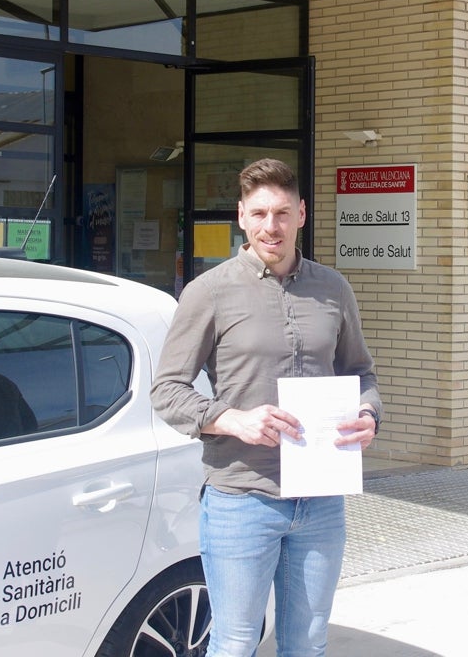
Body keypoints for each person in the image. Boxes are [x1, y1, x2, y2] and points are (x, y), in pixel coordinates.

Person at [151, 158, 382, 657]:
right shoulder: (209, 292)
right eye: (258, 213)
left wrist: (368, 416)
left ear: (301, 213)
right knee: (234, 644)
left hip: (321, 500)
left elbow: (360, 373)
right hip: (241, 500)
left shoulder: (333, 289)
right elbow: (166, 389)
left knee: (308, 643)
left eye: (281, 213)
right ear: (241, 216)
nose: (270, 226)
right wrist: (231, 418)